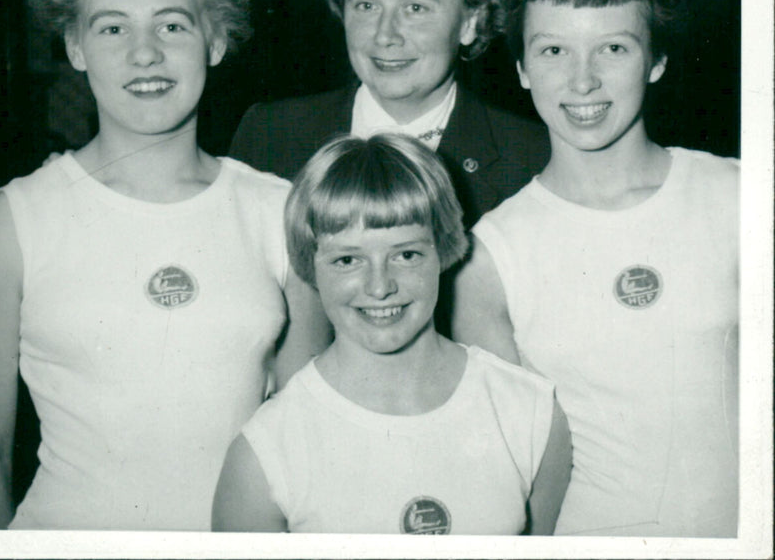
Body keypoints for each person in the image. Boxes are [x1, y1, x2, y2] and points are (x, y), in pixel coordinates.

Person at [0, 0, 331, 531]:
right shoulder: (8, 224)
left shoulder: (279, 211)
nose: (145, 54)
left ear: (216, 41)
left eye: (172, 24)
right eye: (112, 27)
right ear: (75, 47)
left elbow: (306, 448)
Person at [452, 0, 739, 537]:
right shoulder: (490, 259)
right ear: (523, 70)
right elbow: (510, 473)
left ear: (657, 60)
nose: (582, 81)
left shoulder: (738, 197)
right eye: (554, 50)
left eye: (613, 47)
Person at [212, 133, 571, 535]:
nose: (379, 286)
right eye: (347, 260)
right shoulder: (267, 450)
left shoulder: (529, 411)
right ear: (310, 266)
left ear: (445, 249)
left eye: (406, 255)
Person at [229, 0, 549, 231]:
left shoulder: (533, 157)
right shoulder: (269, 135)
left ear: (470, 22)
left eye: (415, 8)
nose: (385, 35)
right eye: (367, 5)